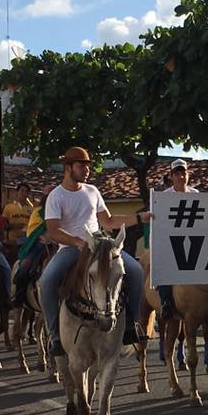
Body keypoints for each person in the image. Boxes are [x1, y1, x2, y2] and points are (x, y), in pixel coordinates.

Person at [39, 146, 152, 356]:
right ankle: (54, 334)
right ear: (68, 167)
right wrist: (76, 242)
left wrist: (138, 218)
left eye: (87, 166)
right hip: (72, 249)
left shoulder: (93, 191)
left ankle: (131, 327)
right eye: (81, 166)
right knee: (47, 281)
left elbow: (108, 222)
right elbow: (53, 230)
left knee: (135, 270)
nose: (86, 170)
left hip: (99, 246)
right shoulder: (56, 196)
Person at [157, 159, 199, 320]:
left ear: (188, 175)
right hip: (171, 240)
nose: (181, 177)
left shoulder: (195, 194)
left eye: (183, 173)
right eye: (177, 174)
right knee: (165, 266)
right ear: (172, 176)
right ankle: (166, 301)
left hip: (194, 239)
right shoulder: (164, 197)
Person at [11, 184, 53, 307]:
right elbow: (33, 230)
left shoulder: (63, 210)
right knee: (26, 265)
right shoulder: (38, 212)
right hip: (41, 242)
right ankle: (19, 294)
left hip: (60, 241)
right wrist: (45, 236)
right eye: (49, 197)